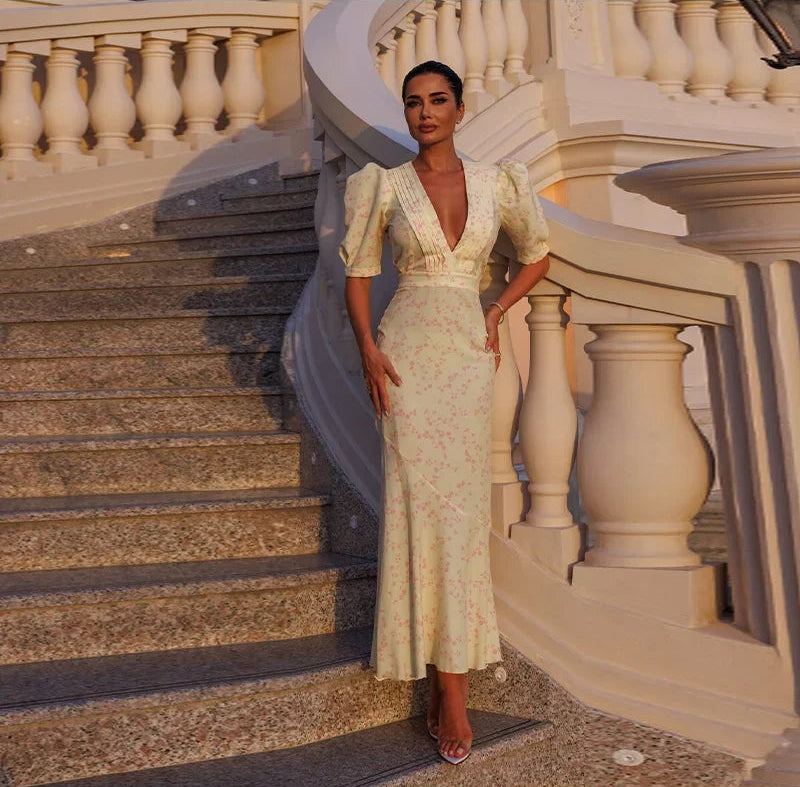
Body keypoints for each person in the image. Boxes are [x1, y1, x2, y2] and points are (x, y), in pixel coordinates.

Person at [338, 60, 550, 765]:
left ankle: (449, 679)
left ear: (460, 108)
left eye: (437, 101)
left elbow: (538, 254)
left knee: (460, 512)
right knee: (416, 507)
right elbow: (360, 270)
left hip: (465, 354)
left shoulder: (498, 183)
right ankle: (447, 685)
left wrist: (496, 306)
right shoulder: (386, 187)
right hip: (405, 357)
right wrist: (368, 347)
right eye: (413, 103)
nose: (424, 113)